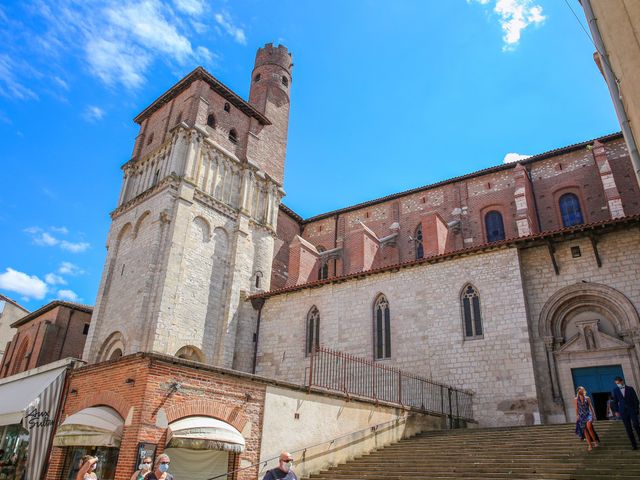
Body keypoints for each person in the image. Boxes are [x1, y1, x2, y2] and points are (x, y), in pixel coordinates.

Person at [612, 376, 640, 450]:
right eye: (616, 383)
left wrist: (637, 409)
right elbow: (615, 401)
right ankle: (634, 445)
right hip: (623, 411)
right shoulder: (615, 390)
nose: (617, 384)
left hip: (632, 410)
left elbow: (636, 399)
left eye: (618, 383)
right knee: (628, 428)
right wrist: (616, 411)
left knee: (636, 425)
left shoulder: (630, 389)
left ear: (622, 381)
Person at [574, 386, 598, 451]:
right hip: (581, 416)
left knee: (589, 427)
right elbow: (576, 408)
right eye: (580, 390)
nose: (581, 391)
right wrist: (577, 415)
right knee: (585, 431)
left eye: (582, 390)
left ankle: (595, 441)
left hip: (588, 414)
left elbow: (591, 406)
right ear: (578, 391)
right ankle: (590, 445)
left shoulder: (587, 398)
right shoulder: (576, 399)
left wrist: (593, 415)